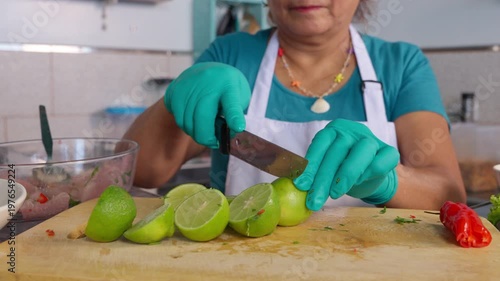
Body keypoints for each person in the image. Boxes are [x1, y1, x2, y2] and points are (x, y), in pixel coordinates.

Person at [124, 0, 466, 211]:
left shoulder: (401, 63)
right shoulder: (229, 54)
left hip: (370, 259)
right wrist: (169, 107)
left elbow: (449, 192)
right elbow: (142, 173)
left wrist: (388, 181)